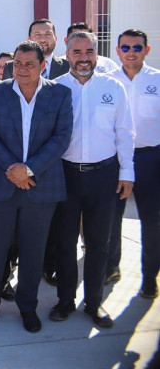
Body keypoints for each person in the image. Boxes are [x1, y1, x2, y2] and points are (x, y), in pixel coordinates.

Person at [0, 41, 73, 333]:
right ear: (10, 65)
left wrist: (28, 169)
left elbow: (61, 138)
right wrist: (13, 169)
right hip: (2, 184)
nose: (23, 69)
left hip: (41, 186)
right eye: (18, 64)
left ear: (43, 66)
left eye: (30, 64)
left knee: (33, 251)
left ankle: (27, 307)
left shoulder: (60, 94)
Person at [51, 31, 134, 328]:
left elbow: (124, 133)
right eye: (77, 51)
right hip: (66, 176)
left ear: (96, 54)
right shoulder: (55, 88)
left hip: (105, 176)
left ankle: (95, 302)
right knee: (64, 242)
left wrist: (127, 173)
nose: (83, 57)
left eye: (88, 51)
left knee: (100, 243)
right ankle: (64, 301)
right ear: (67, 54)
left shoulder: (114, 87)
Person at [109, 29, 159, 299]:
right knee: (111, 219)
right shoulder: (108, 82)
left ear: (146, 50)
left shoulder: (158, 80)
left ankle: (149, 276)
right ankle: (111, 268)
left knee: (152, 222)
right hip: (116, 159)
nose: (131, 52)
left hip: (150, 158)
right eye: (125, 48)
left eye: (136, 47)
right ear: (117, 51)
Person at [2, 19, 70, 79]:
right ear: (29, 39)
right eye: (37, 35)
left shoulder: (68, 66)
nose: (43, 39)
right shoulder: (11, 67)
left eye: (48, 34)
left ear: (56, 38)